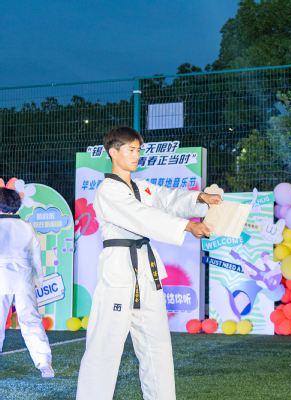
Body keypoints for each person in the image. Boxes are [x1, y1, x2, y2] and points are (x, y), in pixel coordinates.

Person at [76, 127, 222, 400]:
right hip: (118, 270)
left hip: (146, 269)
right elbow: (140, 216)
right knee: (105, 345)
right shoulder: (108, 189)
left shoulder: (141, 186)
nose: (136, 155)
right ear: (113, 152)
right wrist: (187, 226)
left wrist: (200, 198)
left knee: (157, 344)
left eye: (138, 150)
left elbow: (168, 199)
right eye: (130, 150)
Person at [0, 182, 54, 378]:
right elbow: (36, 257)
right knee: (31, 321)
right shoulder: (27, 226)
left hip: (1, 278)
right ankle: (45, 364)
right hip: (24, 278)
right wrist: (39, 280)